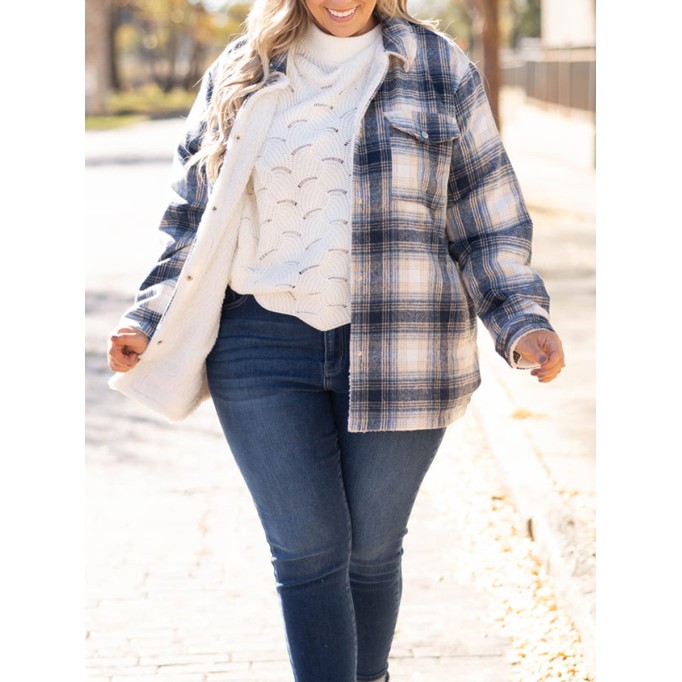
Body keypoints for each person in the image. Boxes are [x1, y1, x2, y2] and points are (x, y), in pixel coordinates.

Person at [107, 1, 565, 680]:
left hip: (405, 343)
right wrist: (148, 317)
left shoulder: (439, 68)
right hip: (260, 343)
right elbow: (191, 215)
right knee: (307, 551)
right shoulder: (243, 69)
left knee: (371, 551)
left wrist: (521, 318)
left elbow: (485, 217)